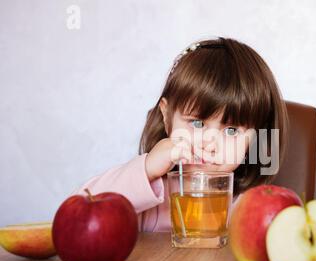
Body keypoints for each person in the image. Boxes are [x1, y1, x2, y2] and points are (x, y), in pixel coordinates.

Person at [70, 36, 289, 232]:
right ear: (166, 117)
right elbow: (76, 217)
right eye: (196, 123)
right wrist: (146, 169)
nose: (209, 145)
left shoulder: (250, 206)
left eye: (231, 130)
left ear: (256, 138)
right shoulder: (148, 198)